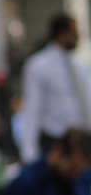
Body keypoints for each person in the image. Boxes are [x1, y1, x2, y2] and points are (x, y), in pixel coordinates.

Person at [21, 14, 91, 165]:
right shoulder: (38, 66)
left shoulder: (78, 66)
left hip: (80, 143)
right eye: (75, 33)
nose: (78, 37)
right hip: (54, 142)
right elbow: (32, 109)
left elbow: (86, 103)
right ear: (63, 34)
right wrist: (28, 152)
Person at [4, 129, 91, 195]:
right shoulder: (26, 184)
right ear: (58, 151)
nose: (76, 174)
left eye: (80, 171)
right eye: (73, 167)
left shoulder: (81, 179)